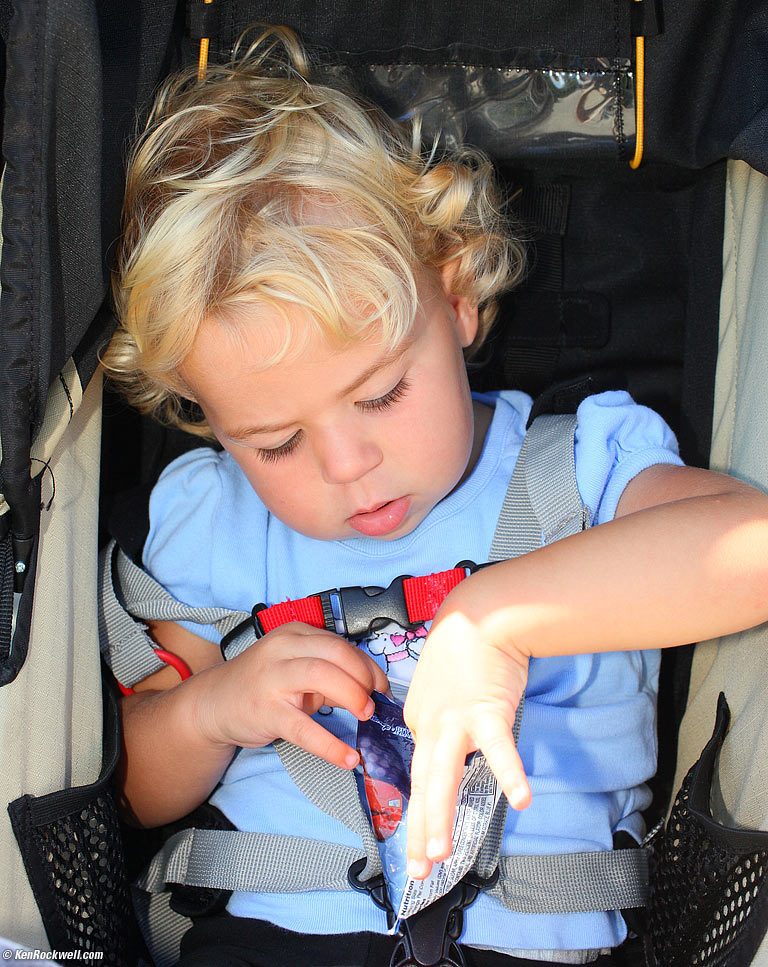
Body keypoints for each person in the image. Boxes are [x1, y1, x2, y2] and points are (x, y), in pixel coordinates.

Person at [102, 25, 768, 967]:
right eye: (276, 440)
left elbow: (752, 547)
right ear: (208, 418)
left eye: (381, 394)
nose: (346, 464)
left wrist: (496, 619)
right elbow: (128, 794)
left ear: (455, 297)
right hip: (272, 939)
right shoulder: (215, 522)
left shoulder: (578, 473)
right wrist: (212, 711)